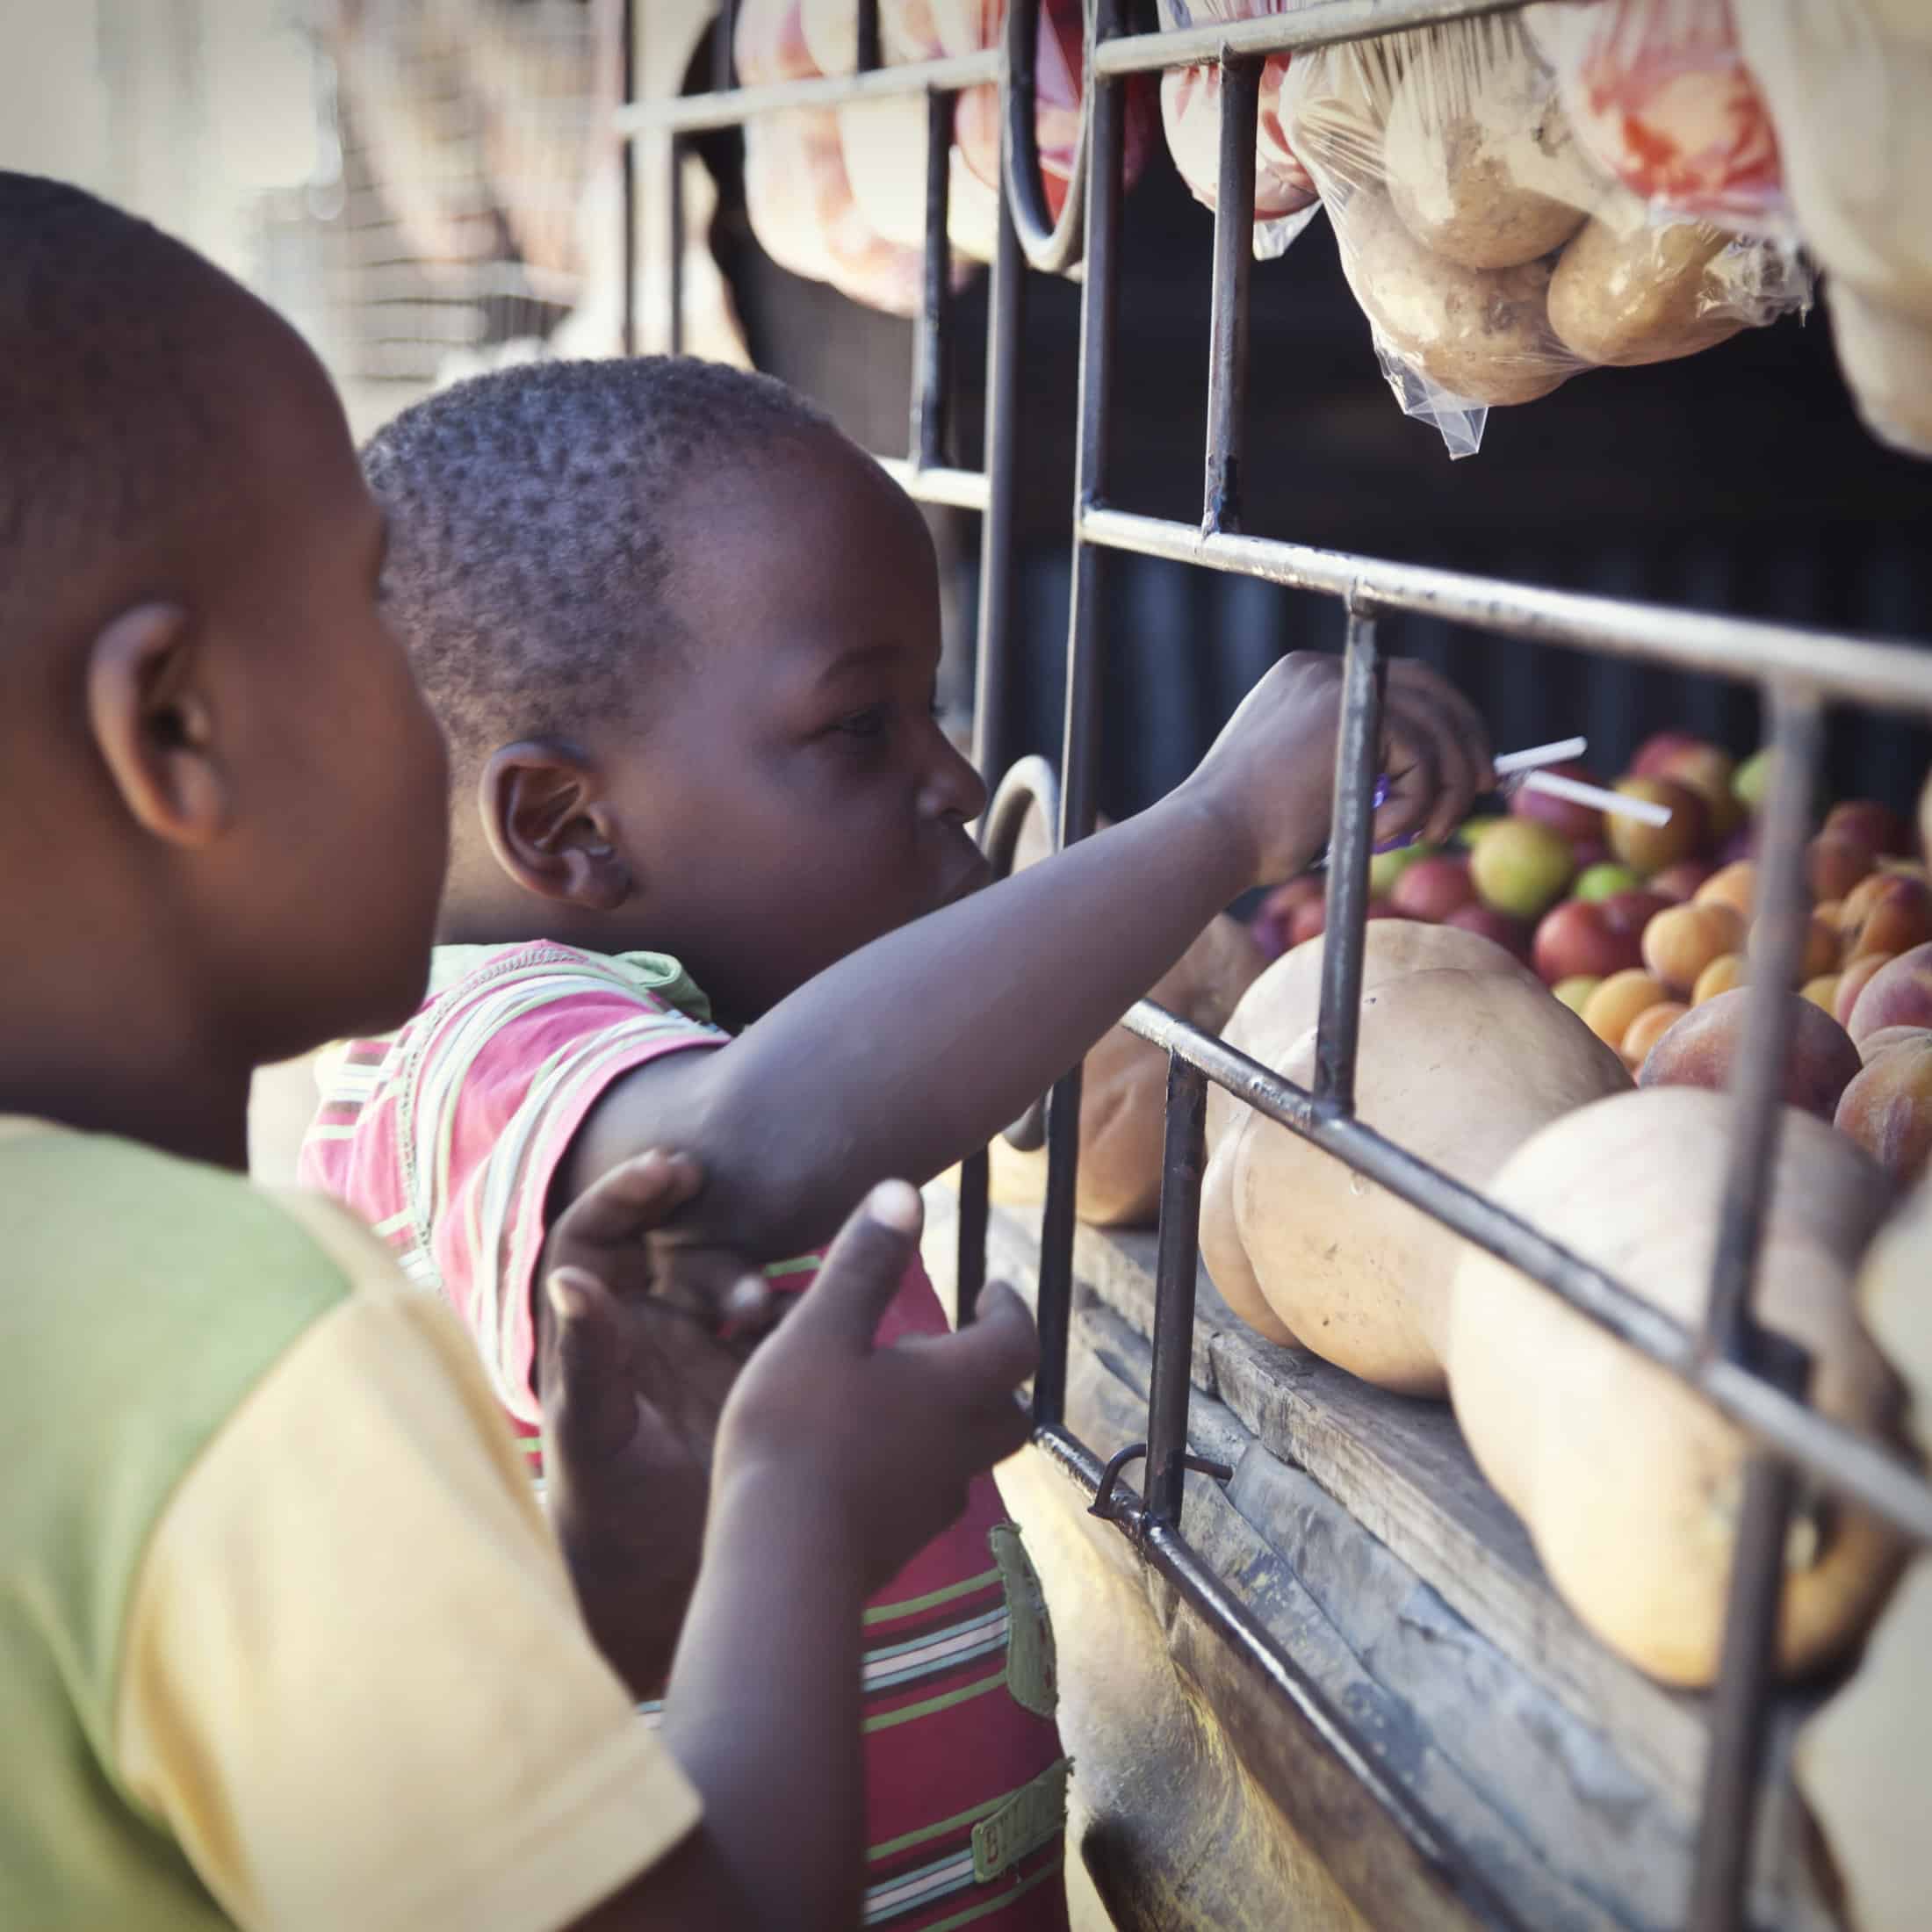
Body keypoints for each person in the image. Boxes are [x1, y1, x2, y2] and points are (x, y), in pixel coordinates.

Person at [293, 357, 1494, 1928]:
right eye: (862, 726)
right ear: (570, 829)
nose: (947, 777)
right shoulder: (475, 1053)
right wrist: (1211, 827)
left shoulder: (644, 1019)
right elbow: (737, 1162)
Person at [0, 171, 1040, 1932]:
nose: (441, 716)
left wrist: (604, 1597)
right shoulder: (241, 1350)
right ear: (175, 727)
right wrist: (789, 1523)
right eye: (362, 615)